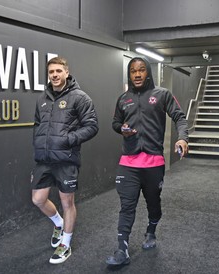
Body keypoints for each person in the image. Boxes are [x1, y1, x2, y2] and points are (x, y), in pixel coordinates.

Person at [106, 57, 189, 266]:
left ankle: (151, 231)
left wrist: (182, 137)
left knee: (153, 204)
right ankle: (122, 250)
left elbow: (179, 116)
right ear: (129, 74)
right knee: (127, 206)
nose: (137, 74)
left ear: (148, 72)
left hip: (153, 163)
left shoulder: (162, 95)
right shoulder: (123, 98)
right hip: (128, 162)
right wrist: (121, 129)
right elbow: (115, 122)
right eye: (133, 71)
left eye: (141, 70)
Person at [31, 56, 99, 264]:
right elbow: (37, 125)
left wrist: (69, 140)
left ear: (66, 73)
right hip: (44, 159)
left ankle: (66, 244)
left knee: (67, 202)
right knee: (38, 199)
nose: (54, 75)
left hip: (66, 159)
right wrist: (39, 145)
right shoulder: (42, 98)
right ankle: (58, 224)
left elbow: (92, 126)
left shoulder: (80, 97)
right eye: (51, 71)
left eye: (58, 71)